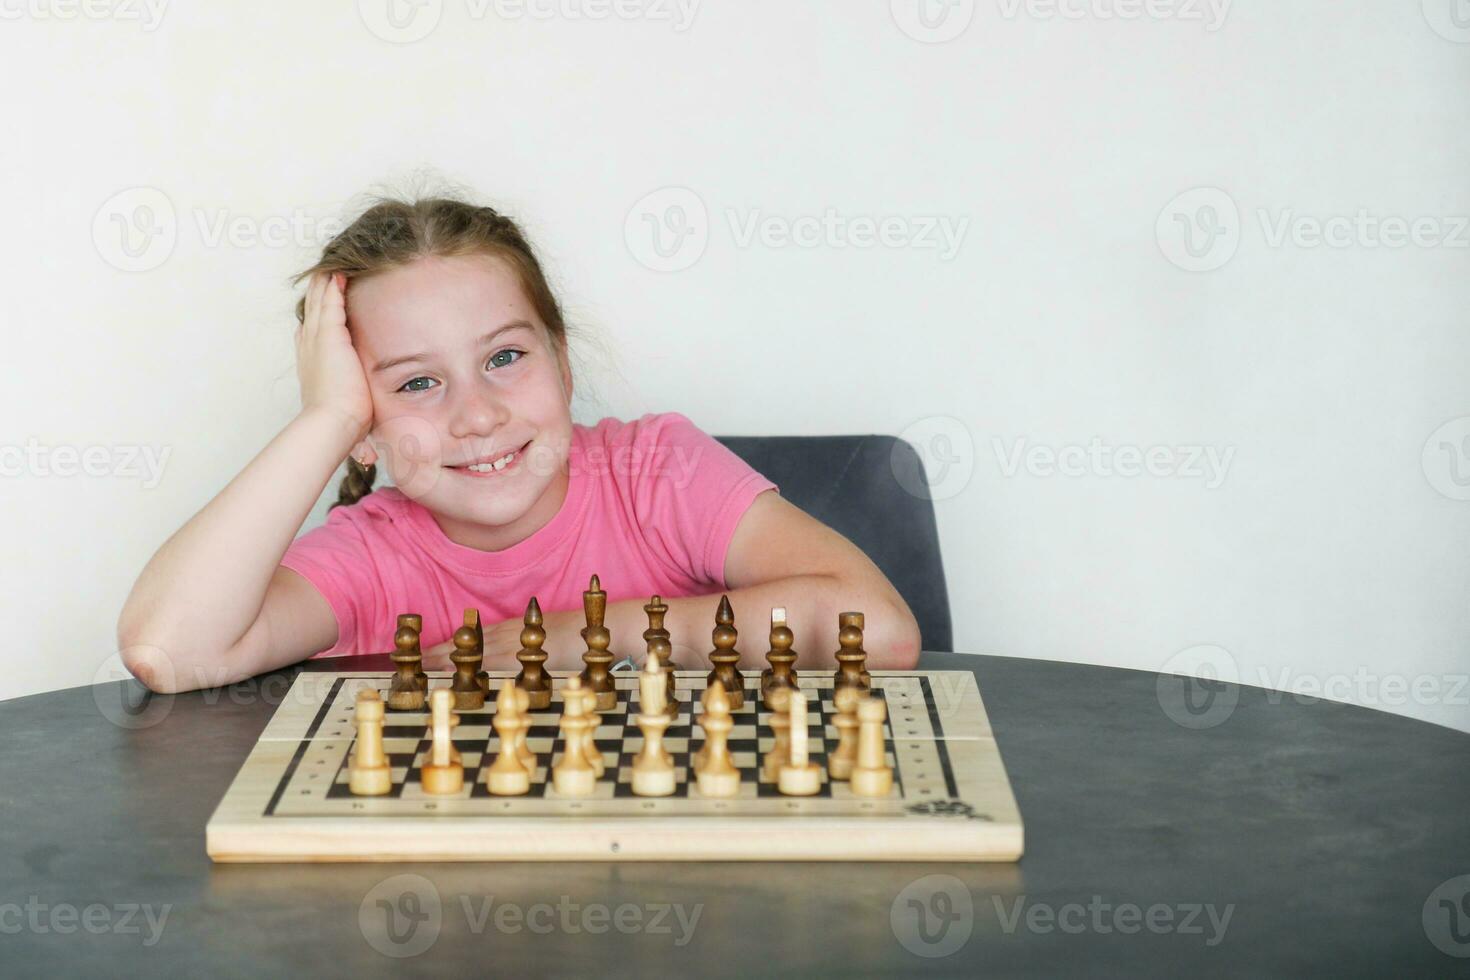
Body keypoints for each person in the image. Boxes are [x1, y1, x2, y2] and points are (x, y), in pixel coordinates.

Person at [117, 193, 921, 694]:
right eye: (415, 384)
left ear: (563, 365)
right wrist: (324, 422)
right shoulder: (371, 556)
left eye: (505, 358)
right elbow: (167, 650)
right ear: (366, 427)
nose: (477, 415)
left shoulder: (657, 470)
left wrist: (586, 637)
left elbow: (879, 629)